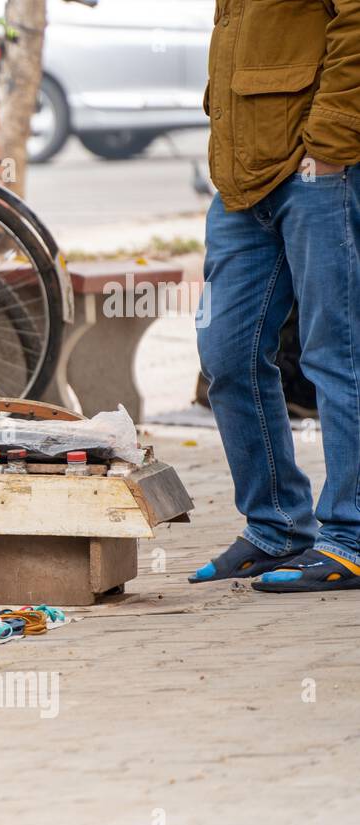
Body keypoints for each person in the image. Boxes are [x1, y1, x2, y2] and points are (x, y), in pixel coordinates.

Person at [191, 1, 360, 592]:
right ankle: (277, 527)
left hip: (320, 168)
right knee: (225, 354)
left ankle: (352, 538)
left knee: (335, 355)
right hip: (244, 177)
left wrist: (332, 139)